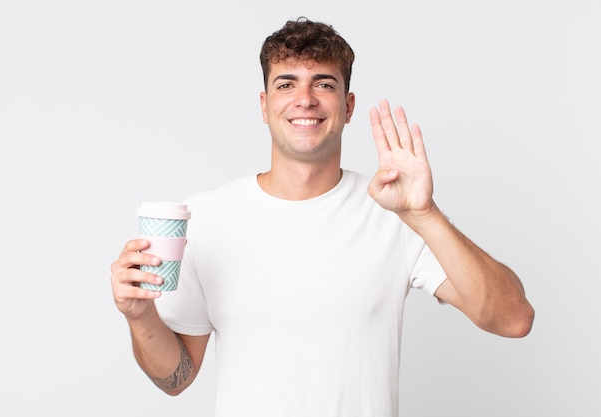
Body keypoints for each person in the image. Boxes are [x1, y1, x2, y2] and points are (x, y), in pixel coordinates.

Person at [110, 17, 534, 417]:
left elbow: (514, 319)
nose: (305, 99)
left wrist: (424, 213)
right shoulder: (204, 217)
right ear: (264, 104)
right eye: (286, 83)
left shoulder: (396, 214)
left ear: (348, 106)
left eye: (324, 83)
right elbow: (175, 379)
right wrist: (140, 315)